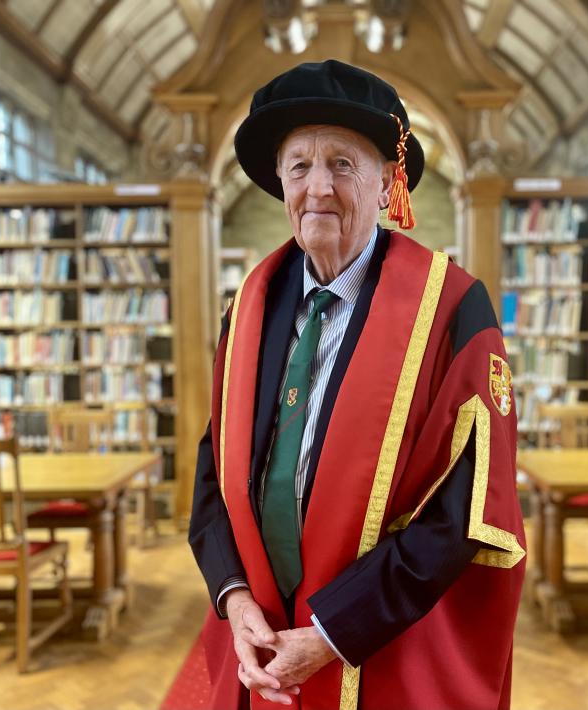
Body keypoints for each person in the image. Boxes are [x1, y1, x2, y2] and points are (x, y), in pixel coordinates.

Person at [189, 59, 526, 710]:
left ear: (386, 186)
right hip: (260, 631)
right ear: (280, 184)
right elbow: (214, 469)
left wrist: (330, 633)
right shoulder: (247, 309)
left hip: (382, 649)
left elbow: (464, 510)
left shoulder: (451, 311)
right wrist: (232, 598)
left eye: (342, 164)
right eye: (299, 166)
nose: (318, 187)